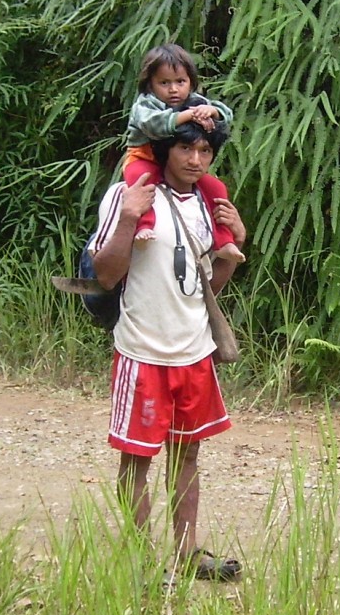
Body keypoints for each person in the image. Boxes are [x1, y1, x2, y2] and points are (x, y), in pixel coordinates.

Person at [91, 120, 246, 582]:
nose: (195, 160)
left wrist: (230, 244)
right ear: (163, 148)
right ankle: (139, 562)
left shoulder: (207, 201)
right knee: (136, 458)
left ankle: (185, 553)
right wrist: (126, 218)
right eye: (184, 147)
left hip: (193, 350)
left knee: (188, 456)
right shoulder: (130, 194)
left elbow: (206, 290)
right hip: (142, 351)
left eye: (204, 150)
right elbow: (105, 274)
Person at [124, 42, 245, 263]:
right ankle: (143, 226)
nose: (173, 90)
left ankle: (224, 241)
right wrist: (190, 116)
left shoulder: (192, 101)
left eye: (180, 82)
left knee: (216, 187)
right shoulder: (145, 105)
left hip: (170, 162)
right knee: (140, 181)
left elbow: (226, 115)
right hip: (144, 156)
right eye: (164, 83)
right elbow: (157, 125)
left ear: (190, 82)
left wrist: (213, 111)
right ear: (150, 85)